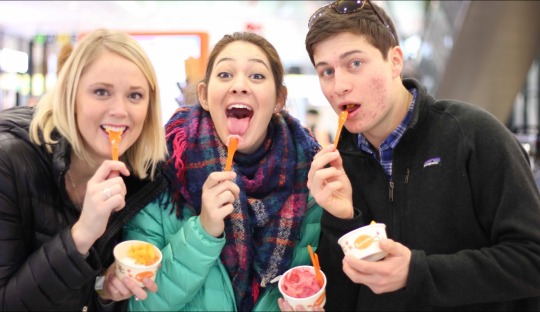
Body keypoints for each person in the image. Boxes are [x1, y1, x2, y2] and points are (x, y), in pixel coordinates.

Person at [299, 0, 540, 311]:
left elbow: (532, 258)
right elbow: (347, 295)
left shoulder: (472, 134)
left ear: (395, 60)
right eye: (326, 71)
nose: (339, 85)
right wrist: (343, 219)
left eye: (354, 63)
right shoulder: (339, 167)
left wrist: (418, 272)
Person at [123, 31, 323, 311]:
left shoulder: (311, 179)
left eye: (256, 76)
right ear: (204, 95)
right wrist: (203, 232)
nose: (239, 85)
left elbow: (313, 285)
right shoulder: (164, 171)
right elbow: (138, 303)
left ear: (279, 99)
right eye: (225, 74)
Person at [0, 28, 168, 310]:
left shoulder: (140, 177)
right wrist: (82, 234)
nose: (120, 110)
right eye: (101, 92)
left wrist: (104, 288)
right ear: (70, 96)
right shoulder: (9, 162)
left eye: (135, 96)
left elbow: (85, 294)